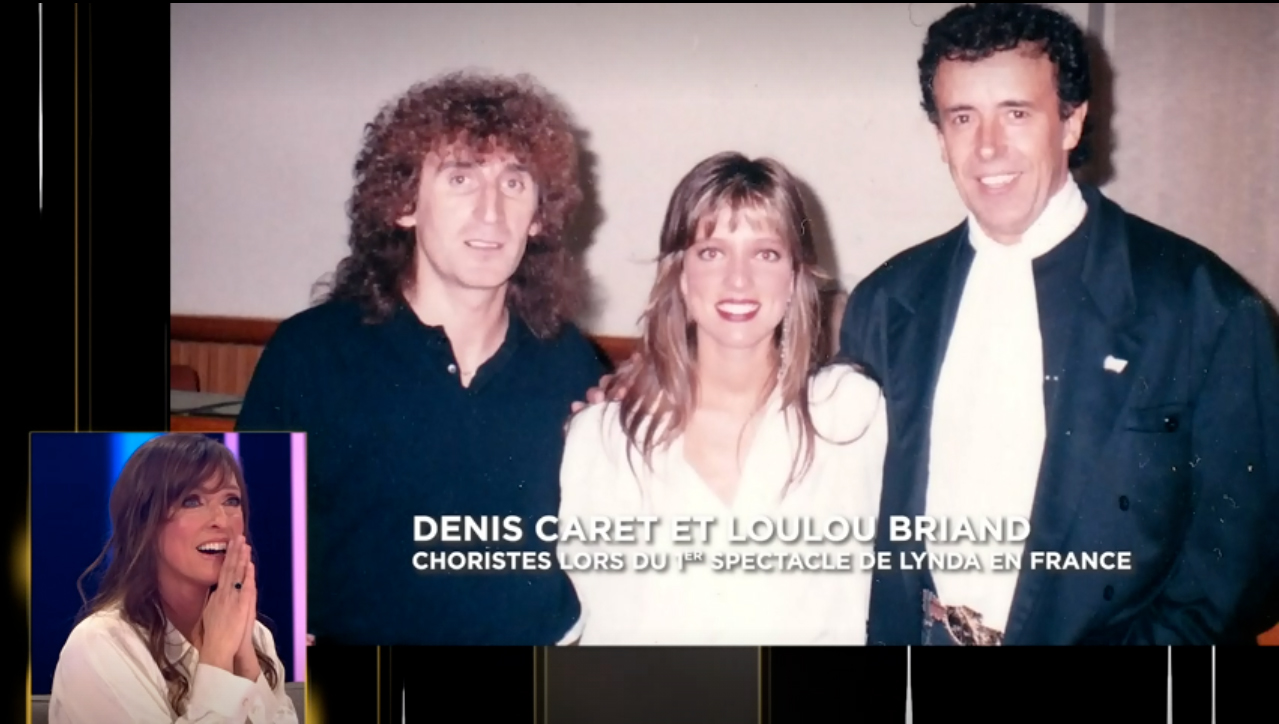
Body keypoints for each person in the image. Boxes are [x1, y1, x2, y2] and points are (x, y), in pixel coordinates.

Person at [838, 2, 1279, 644]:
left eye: (1016, 113)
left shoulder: (1202, 305)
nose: (988, 147)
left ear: (1071, 121)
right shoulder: (886, 302)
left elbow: (1239, 562)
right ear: (940, 137)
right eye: (963, 117)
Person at [236, 72, 607, 645]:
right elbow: (243, 538)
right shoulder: (310, 355)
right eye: (461, 178)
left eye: (514, 182)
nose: (491, 212)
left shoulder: (574, 366)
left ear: (538, 216)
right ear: (404, 204)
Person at [558, 152, 887, 645]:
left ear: (795, 278)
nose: (739, 279)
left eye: (765, 254)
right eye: (712, 252)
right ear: (680, 275)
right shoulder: (604, 440)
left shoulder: (850, 414)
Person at [48, 434, 297, 723]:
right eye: (192, 501)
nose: (221, 520)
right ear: (144, 522)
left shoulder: (254, 635)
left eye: (231, 500)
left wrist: (245, 659)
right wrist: (217, 658)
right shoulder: (100, 646)